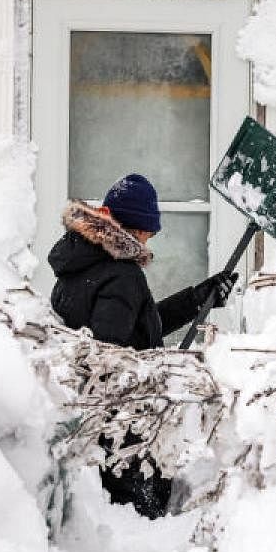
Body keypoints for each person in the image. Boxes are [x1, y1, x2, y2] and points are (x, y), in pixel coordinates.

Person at [47, 173, 237, 518]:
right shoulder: (123, 274)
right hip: (124, 434)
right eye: (149, 229)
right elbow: (111, 359)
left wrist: (198, 299)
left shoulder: (80, 264)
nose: (152, 237)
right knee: (139, 524)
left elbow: (136, 327)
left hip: (89, 423)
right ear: (132, 227)